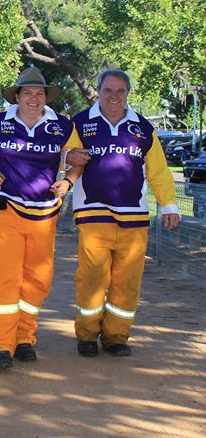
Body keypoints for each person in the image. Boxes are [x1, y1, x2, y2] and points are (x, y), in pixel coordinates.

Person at [0, 67, 84, 369]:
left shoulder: (61, 125)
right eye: (28, 93)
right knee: (5, 279)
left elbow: (78, 157)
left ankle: (24, 338)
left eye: (40, 93)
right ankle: (1, 346)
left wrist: (68, 181)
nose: (34, 98)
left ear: (46, 97)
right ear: (16, 96)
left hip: (45, 215)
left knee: (37, 281)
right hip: (5, 209)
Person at [70, 68, 180, 358]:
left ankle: (116, 336)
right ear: (98, 91)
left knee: (127, 281)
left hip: (133, 216)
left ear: (127, 94)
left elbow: (157, 171)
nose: (114, 96)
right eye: (108, 90)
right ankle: (87, 334)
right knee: (92, 277)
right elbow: (61, 158)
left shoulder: (143, 128)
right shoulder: (80, 123)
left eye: (120, 91)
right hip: (93, 212)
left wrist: (168, 204)